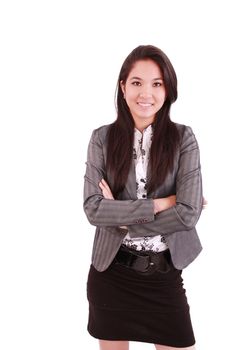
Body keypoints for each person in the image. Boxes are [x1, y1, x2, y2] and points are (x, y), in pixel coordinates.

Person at [83, 45, 204, 350]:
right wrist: (162, 203)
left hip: (164, 275)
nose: (145, 93)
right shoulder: (101, 139)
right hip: (111, 275)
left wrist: (122, 219)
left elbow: (188, 213)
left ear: (168, 90)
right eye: (136, 82)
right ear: (123, 87)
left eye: (157, 83)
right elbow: (94, 210)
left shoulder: (184, 139)